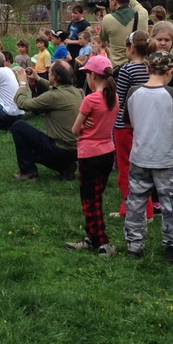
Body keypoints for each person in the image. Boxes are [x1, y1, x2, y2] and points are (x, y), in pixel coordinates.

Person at [122, 52, 173, 261]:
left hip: (140, 155)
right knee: (170, 203)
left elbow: (128, 123)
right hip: (166, 157)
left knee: (136, 201)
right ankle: (172, 246)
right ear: (171, 72)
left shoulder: (133, 92)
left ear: (147, 69)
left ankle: (134, 245)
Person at [64, 55, 119, 256]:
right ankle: (91, 236)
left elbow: (74, 129)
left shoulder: (91, 99)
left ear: (93, 76)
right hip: (108, 152)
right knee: (96, 197)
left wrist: (85, 123)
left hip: (90, 155)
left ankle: (102, 242)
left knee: (90, 200)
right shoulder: (114, 97)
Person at [8, 60, 81, 180]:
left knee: (18, 126)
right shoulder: (76, 91)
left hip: (60, 150)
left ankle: (28, 172)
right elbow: (54, 88)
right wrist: (37, 78)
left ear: (55, 77)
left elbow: (23, 104)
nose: (48, 74)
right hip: (75, 151)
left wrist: (22, 83)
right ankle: (66, 167)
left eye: (50, 72)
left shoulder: (54, 96)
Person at [111, 30, 152, 220]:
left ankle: (134, 208)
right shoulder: (150, 68)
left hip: (124, 124)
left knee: (126, 167)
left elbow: (119, 98)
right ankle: (144, 209)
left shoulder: (127, 70)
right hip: (144, 123)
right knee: (142, 166)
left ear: (131, 48)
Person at [99, 0, 146, 66]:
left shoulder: (108, 19)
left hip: (118, 67)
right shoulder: (142, 14)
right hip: (139, 66)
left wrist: (105, 9)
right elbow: (136, 4)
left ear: (114, 1)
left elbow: (103, 38)